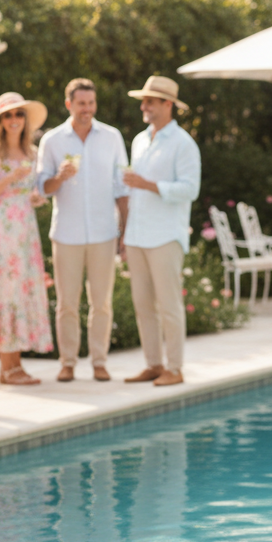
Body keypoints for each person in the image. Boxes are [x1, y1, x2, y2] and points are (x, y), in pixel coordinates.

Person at [37, 78, 129, 382]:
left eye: (91, 103)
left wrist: (125, 230)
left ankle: (99, 361)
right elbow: (43, 188)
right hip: (66, 234)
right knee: (67, 303)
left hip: (105, 233)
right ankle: (68, 362)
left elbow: (121, 186)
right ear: (69, 104)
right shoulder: (52, 140)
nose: (87, 109)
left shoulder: (112, 137)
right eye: (81, 103)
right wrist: (59, 178)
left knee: (102, 302)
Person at [0, 92, 55, 384]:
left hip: (25, 230)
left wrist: (37, 196)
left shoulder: (33, 152)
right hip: (0, 229)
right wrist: (10, 178)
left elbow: (31, 191)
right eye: (8, 115)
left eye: (19, 115)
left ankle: (15, 364)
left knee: (20, 289)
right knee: (4, 289)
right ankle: (7, 366)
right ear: (0, 121)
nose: (14, 120)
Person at [120, 76, 202, 387]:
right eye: (144, 101)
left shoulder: (184, 144)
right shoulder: (140, 140)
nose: (144, 107)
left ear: (167, 105)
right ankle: (153, 364)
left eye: (150, 102)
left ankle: (175, 368)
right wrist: (124, 233)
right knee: (143, 305)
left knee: (169, 306)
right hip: (138, 235)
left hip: (166, 236)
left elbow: (190, 189)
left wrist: (148, 185)